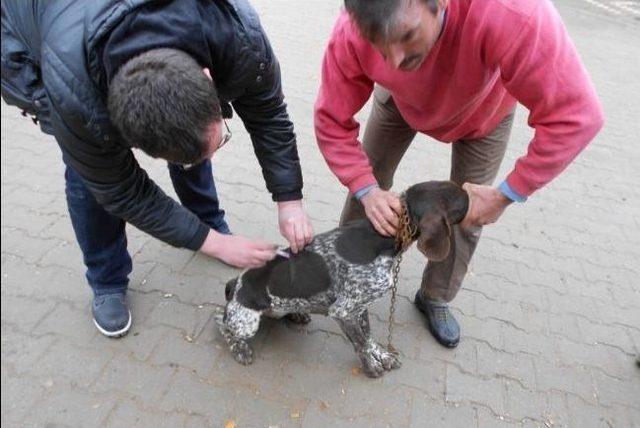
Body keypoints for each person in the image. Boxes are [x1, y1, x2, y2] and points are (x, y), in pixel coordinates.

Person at [1, 0, 313, 337]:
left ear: (206, 77)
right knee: (88, 175)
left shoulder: (237, 35)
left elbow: (268, 115)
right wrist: (213, 245)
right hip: (29, 42)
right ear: (127, 132)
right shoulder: (77, 99)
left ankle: (206, 218)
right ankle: (107, 280)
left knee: (188, 136)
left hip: (92, 33)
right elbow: (121, 190)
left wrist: (289, 199)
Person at [314, 0, 604, 347]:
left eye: (407, 34)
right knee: (368, 178)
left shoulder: (512, 12)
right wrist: (366, 188)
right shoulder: (352, 31)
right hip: (400, 101)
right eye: (379, 45)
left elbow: (577, 115)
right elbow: (330, 120)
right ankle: (348, 268)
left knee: (470, 214)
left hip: (484, 111)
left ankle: (435, 295)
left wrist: (507, 194)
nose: (395, 60)